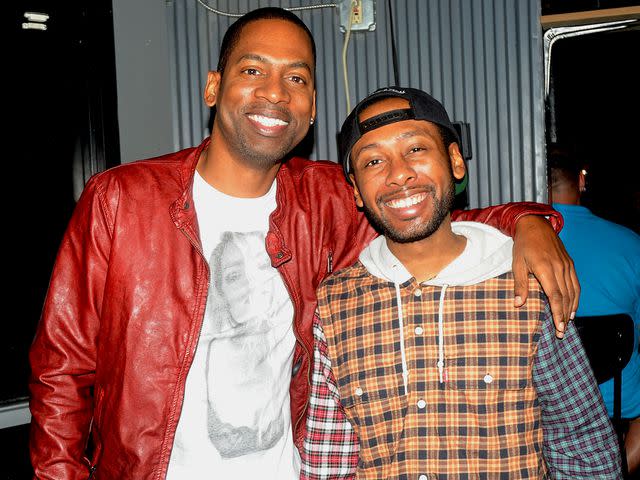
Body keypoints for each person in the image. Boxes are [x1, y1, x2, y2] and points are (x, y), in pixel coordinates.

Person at [28, 8, 578, 480]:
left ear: (312, 107)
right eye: (253, 70)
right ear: (213, 86)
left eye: (297, 78)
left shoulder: (325, 202)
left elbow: (424, 214)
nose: (274, 92)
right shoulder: (121, 200)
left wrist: (528, 220)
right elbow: (61, 372)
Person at [302, 87, 621, 479]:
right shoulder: (336, 303)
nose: (398, 173)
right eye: (372, 161)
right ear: (355, 191)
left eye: (415, 149)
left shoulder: (526, 284)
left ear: (455, 161)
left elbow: (581, 444)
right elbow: (327, 460)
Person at [549, 146, 640, 476]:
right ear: (581, 181)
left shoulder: (513, 242)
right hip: (615, 396)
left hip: (547, 398)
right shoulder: (630, 243)